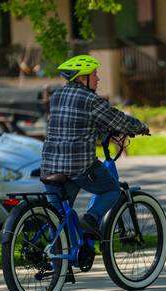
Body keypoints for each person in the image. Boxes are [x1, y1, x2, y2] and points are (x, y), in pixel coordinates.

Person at [40, 55, 149, 239]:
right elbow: (117, 119)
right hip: (78, 166)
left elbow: (75, 123)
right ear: (83, 78)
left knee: (58, 221)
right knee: (112, 189)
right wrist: (140, 127)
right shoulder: (91, 100)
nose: (97, 78)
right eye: (94, 74)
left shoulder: (57, 96)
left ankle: (58, 262)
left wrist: (102, 133)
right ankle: (90, 219)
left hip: (49, 165)